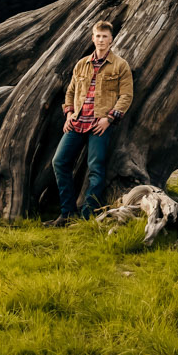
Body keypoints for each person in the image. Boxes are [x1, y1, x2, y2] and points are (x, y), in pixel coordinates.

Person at [49, 19, 133, 223]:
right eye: (98, 36)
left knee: (95, 168)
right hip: (77, 122)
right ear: (92, 38)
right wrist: (69, 114)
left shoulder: (120, 65)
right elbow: (70, 92)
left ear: (111, 40)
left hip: (99, 125)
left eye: (105, 36)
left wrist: (109, 119)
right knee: (59, 162)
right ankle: (67, 213)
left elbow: (126, 96)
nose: (101, 40)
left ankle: (87, 216)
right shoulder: (81, 64)